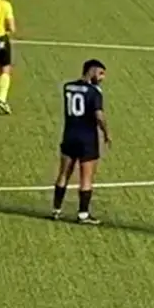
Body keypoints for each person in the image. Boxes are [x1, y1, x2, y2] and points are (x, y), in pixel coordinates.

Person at [52, 59, 112, 224]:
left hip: (69, 136)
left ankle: (56, 210)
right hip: (87, 139)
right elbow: (98, 115)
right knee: (86, 178)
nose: (102, 78)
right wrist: (106, 133)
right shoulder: (95, 92)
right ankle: (83, 214)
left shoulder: (68, 87)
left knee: (63, 174)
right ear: (91, 71)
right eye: (100, 73)